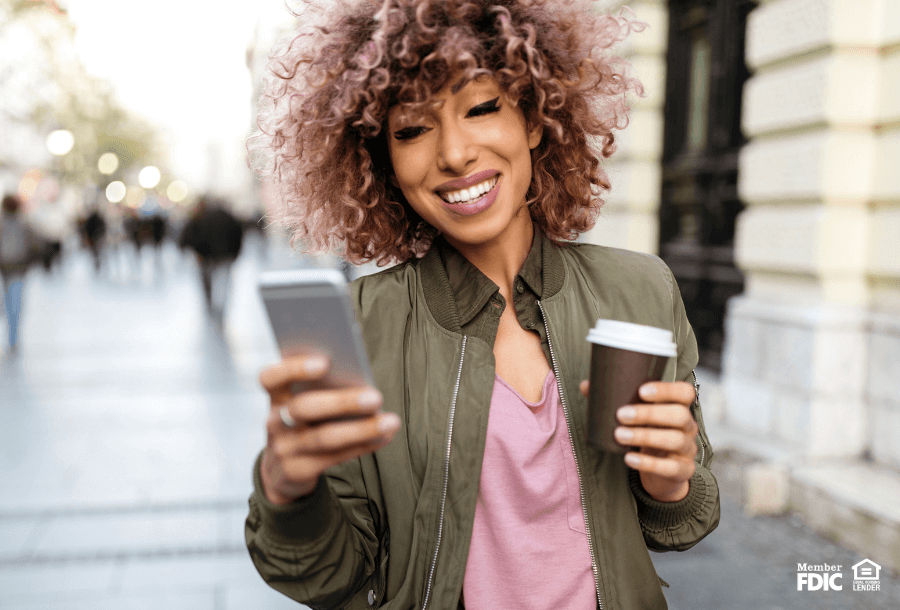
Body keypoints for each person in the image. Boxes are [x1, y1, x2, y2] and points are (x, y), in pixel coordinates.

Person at [245, 1, 720, 608]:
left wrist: (670, 481)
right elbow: (329, 574)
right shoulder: (363, 325)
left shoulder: (639, 290)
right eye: (412, 129)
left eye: (481, 108)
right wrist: (289, 492)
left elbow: (680, 522)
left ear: (534, 118)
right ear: (383, 162)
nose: (454, 153)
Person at [178, 197, 244, 321]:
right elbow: (238, 234)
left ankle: (209, 302)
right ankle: (222, 302)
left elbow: (188, 235)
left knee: (207, 280)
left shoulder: (199, 217)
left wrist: (189, 248)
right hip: (225, 255)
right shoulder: (228, 216)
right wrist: (236, 253)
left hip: (205, 256)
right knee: (225, 280)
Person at [0, 194, 40, 353]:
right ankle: (13, 338)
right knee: (15, 306)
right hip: (16, 269)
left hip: (9, 269)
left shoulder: (18, 224)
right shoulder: (25, 224)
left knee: (12, 305)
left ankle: (13, 338)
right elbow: (35, 244)